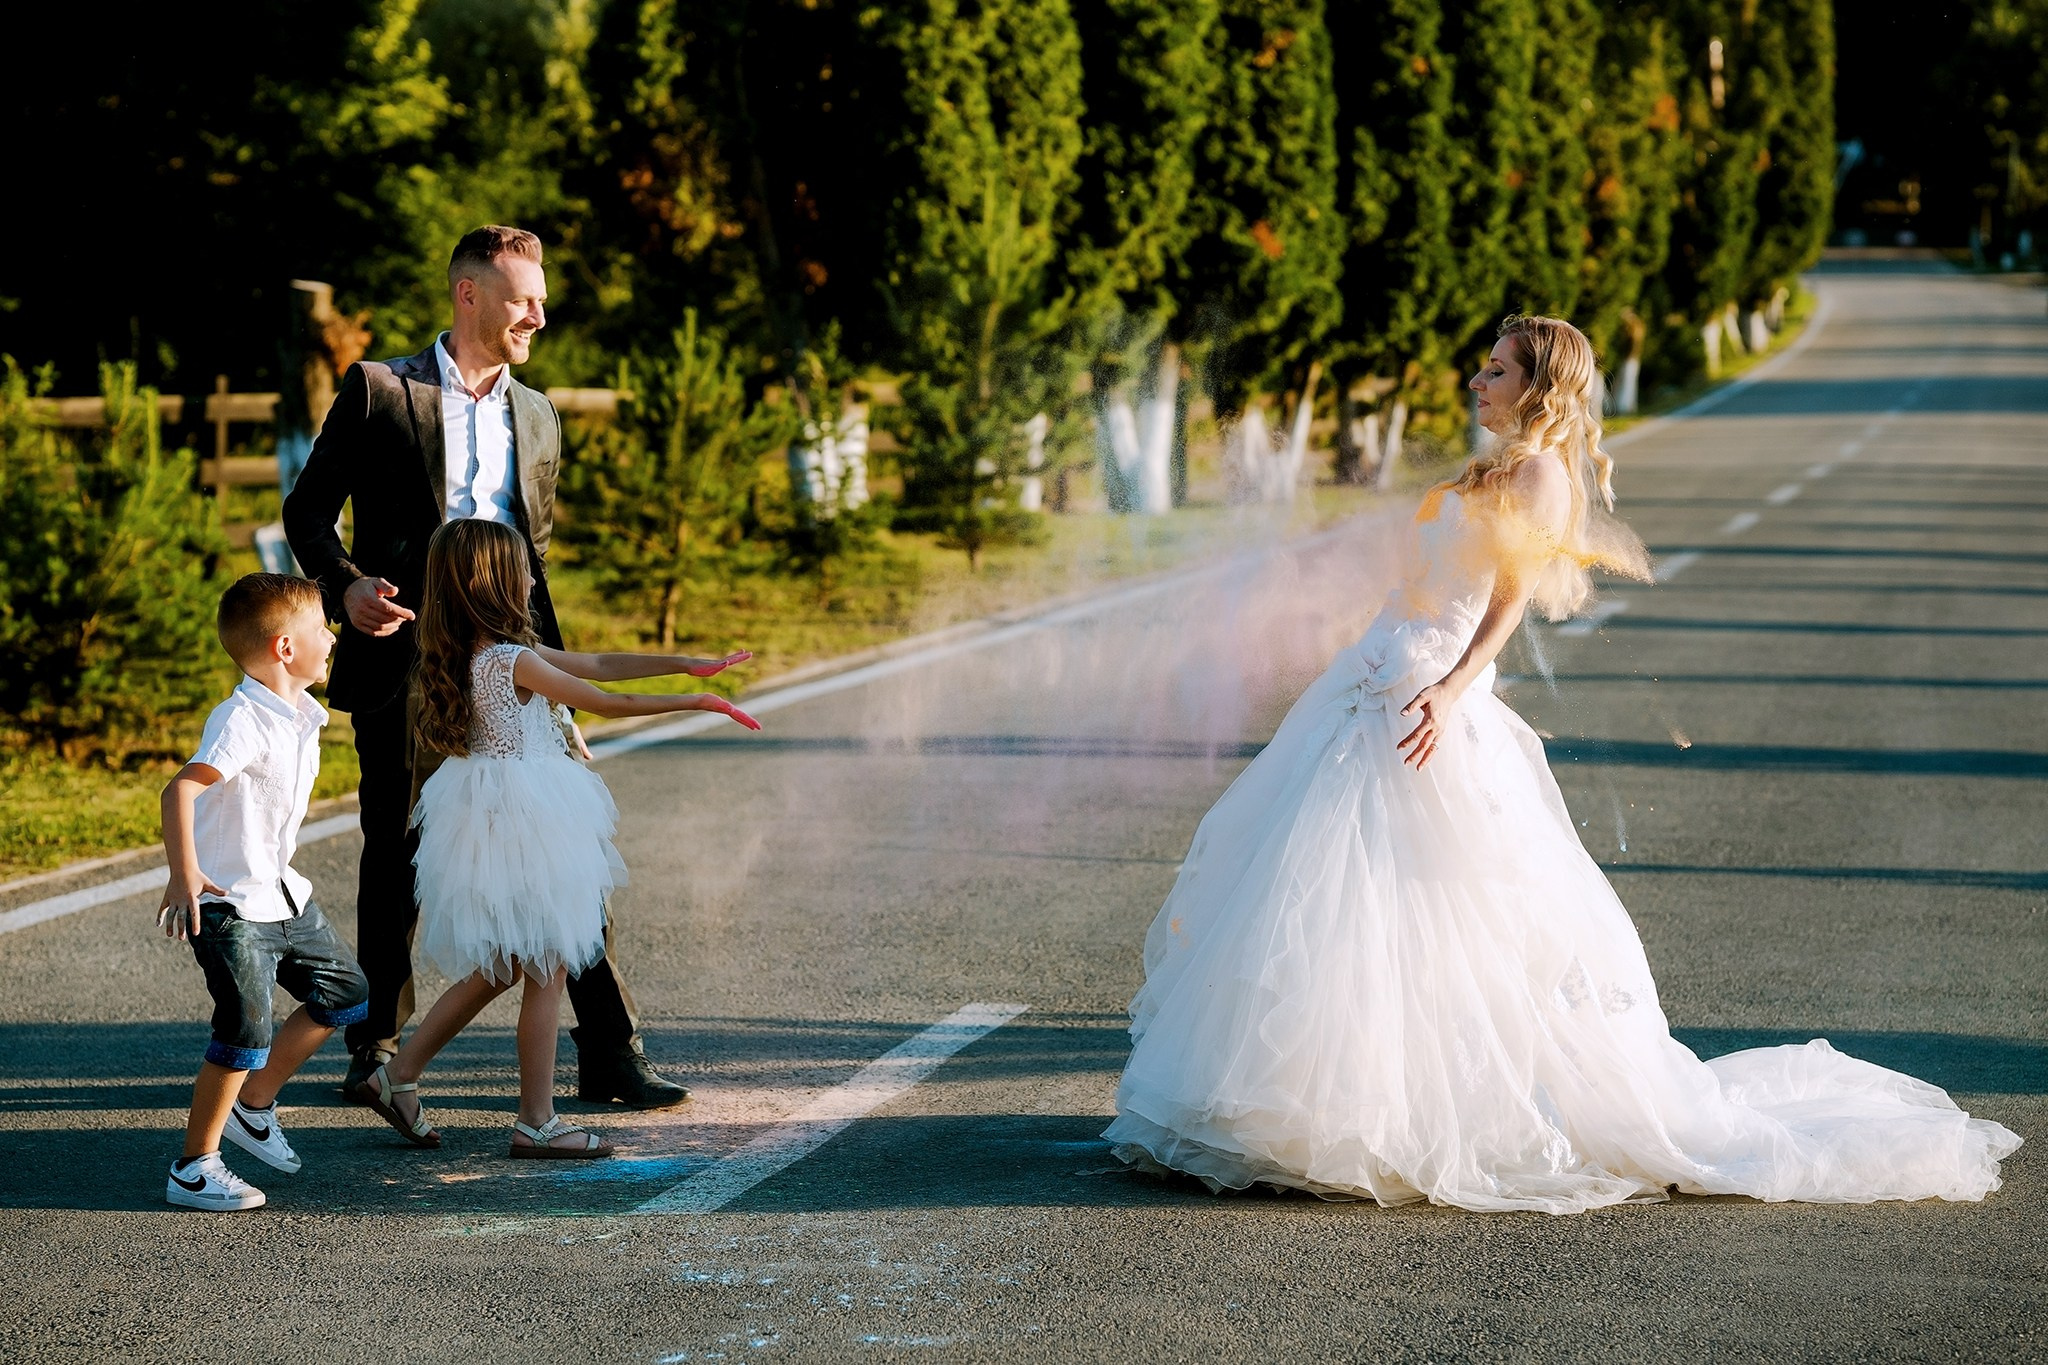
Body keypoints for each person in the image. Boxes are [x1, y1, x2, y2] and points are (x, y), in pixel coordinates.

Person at [1104, 315, 2022, 1213]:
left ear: (1540, 387)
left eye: (1497, 370)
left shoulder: (1540, 478)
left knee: (1415, 898)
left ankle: (1396, 1111)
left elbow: (1508, 600)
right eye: (1485, 366)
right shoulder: (1493, 467)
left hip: (1429, 698)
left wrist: (1455, 686)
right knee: (1321, 888)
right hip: (1368, 684)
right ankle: (1296, 1102)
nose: (1478, 379)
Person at [283, 224, 691, 1109]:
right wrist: (345, 587)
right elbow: (308, 512)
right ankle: (378, 1044)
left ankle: (609, 1048)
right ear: (470, 294)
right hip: (403, 657)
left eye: (540, 298)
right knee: (395, 847)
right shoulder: (380, 391)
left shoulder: (537, 414)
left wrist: (553, 663)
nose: (537, 315)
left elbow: (531, 556)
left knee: (562, 843)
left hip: (510, 661)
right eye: (521, 298)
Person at [354, 519, 759, 1155]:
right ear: (495, 581)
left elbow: (598, 663)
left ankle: (396, 1075)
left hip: (498, 813)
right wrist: (696, 700)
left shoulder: (479, 651)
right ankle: (536, 1121)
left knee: (504, 967)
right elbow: (600, 698)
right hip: (527, 818)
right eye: (522, 569)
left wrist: (684, 662)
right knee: (544, 964)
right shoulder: (511, 659)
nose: (530, 579)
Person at [157, 574, 370, 1210]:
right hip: (231, 904)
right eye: (320, 629)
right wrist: (184, 871)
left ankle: (255, 1105)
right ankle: (194, 1167)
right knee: (244, 1029)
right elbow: (180, 789)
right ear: (284, 648)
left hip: (283, 895)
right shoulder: (241, 719)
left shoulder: (302, 713)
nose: (330, 637)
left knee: (345, 995)